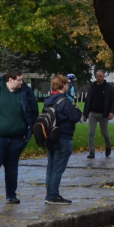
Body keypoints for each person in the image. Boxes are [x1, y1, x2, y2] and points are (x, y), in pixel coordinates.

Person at [0, 70, 38, 206]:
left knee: (11, 167)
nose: (22, 82)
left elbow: (34, 112)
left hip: (17, 139)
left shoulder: (25, 92)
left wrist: (28, 131)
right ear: (10, 79)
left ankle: (11, 196)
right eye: (19, 80)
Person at [43, 74, 82, 204]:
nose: (68, 86)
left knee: (51, 167)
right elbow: (74, 117)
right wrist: (77, 110)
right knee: (58, 168)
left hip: (51, 137)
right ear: (63, 85)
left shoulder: (49, 100)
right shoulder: (64, 101)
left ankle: (50, 193)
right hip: (63, 137)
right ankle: (53, 195)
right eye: (67, 84)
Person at [83, 69, 114, 159]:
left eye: (100, 76)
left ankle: (108, 146)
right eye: (97, 76)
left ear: (104, 77)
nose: (99, 78)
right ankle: (92, 152)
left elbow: (113, 100)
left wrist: (111, 111)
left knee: (105, 132)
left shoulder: (108, 88)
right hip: (93, 113)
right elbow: (88, 101)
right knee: (91, 132)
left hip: (103, 114)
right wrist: (85, 114)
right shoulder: (92, 87)